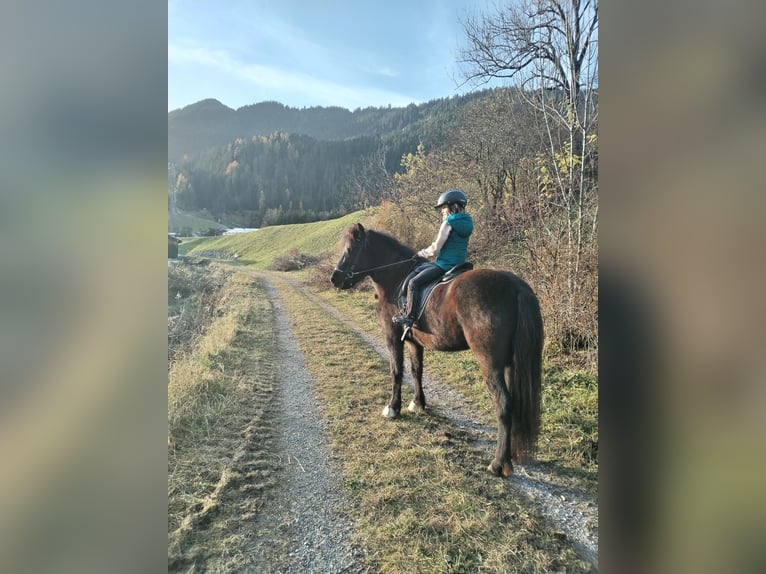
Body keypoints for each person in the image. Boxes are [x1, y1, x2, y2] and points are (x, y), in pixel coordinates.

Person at [393, 189, 474, 329]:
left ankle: (409, 317)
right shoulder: (468, 222)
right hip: (460, 264)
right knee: (420, 270)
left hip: (445, 265)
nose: (442, 212)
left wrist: (420, 254)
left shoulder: (448, 223)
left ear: (451, 206)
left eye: (443, 208)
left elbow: (436, 248)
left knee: (413, 283)